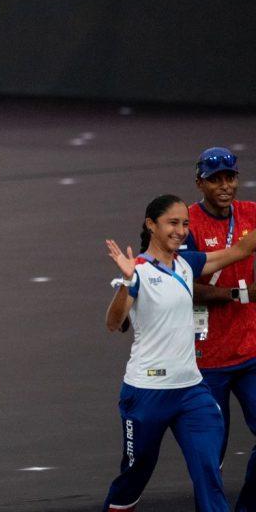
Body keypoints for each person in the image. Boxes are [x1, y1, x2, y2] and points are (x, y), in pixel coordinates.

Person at [103, 194, 256, 512]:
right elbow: (113, 322)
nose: (181, 230)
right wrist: (127, 283)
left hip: (191, 393)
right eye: (173, 223)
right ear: (151, 225)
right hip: (146, 394)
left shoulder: (189, 264)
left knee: (208, 474)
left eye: (185, 223)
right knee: (134, 477)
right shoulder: (139, 271)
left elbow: (240, 250)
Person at [183, 148, 256, 511]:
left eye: (230, 177)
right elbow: (183, 283)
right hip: (205, 360)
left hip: (250, 352)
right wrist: (239, 292)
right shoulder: (187, 223)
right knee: (211, 452)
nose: (225, 185)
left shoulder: (250, 214)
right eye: (215, 179)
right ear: (200, 183)